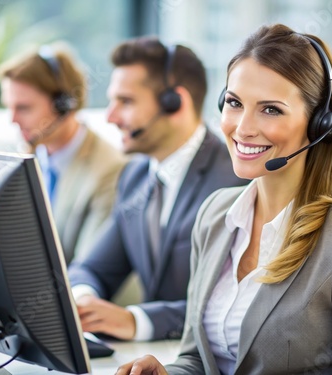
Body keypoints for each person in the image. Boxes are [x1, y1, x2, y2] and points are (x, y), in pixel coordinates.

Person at [116, 24, 332, 375]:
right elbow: (197, 359)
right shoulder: (216, 214)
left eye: (271, 110)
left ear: (320, 126)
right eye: (234, 103)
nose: (243, 127)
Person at [67, 37, 248, 341]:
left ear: (175, 103)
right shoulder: (135, 177)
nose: (110, 116)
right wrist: (84, 300)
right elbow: (92, 268)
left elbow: (234, 304)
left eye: (125, 101)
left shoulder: (235, 179)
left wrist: (137, 321)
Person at [0, 43, 128, 264]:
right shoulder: (25, 157)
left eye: (24, 108)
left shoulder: (110, 170)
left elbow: (88, 269)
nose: (13, 120)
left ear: (64, 105)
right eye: (9, 107)